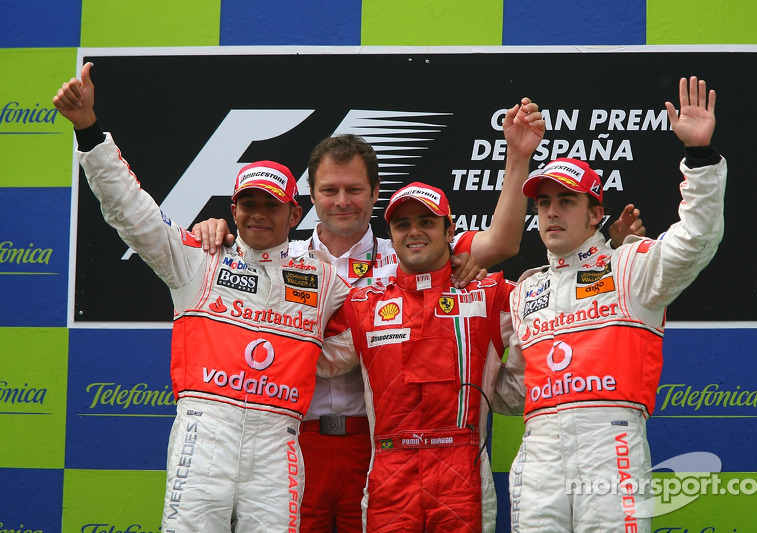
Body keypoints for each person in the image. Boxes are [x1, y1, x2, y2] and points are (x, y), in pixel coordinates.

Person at [192, 96, 551, 533]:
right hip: (294, 438)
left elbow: (501, 242)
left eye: (354, 189)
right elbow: (234, 291)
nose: (342, 201)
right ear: (310, 196)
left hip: (375, 442)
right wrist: (213, 232)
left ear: (375, 194)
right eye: (329, 190)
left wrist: (517, 158)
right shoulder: (283, 256)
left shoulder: (405, 254)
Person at [53, 63, 351, 532]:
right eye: (248, 203)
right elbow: (133, 213)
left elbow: (372, 330)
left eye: (270, 205)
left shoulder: (324, 279)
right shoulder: (200, 258)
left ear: (294, 213)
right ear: (232, 208)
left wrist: (451, 270)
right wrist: (89, 129)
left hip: (278, 442)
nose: (257, 214)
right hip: (204, 431)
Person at [500, 76, 725, 533]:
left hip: (611, 445)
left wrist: (699, 157)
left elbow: (696, 239)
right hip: (539, 450)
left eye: (566, 201)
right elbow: (512, 391)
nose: (552, 213)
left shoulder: (630, 267)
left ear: (595, 214)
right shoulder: (525, 290)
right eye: (544, 204)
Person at [318, 182, 521, 532]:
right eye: (403, 224)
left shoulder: (490, 294)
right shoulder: (363, 304)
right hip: (390, 470)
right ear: (391, 235)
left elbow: (550, 320)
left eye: (426, 222)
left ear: (450, 229)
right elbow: (312, 355)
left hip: (463, 468)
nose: (414, 232)